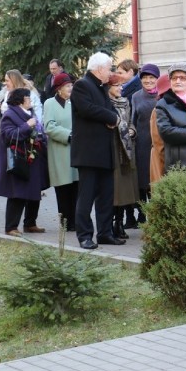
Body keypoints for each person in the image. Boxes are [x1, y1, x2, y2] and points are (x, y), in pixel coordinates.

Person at [71, 52, 123, 250]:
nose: (110, 72)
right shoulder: (82, 85)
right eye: (109, 68)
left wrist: (113, 117)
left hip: (104, 151)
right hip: (88, 152)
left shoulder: (101, 87)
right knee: (86, 196)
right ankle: (84, 235)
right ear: (99, 68)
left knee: (106, 195)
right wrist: (111, 118)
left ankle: (105, 233)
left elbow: (111, 109)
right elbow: (87, 109)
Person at [0, 88, 49, 236]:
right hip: (19, 160)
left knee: (34, 192)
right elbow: (8, 136)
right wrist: (27, 126)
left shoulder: (30, 113)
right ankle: (11, 227)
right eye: (28, 98)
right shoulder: (9, 115)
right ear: (20, 100)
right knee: (17, 194)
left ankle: (30, 223)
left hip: (34, 159)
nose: (30, 100)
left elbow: (38, 130)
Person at [43, 72, 78, 231]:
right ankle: (64, 222)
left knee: (76, 187)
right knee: (63, 188)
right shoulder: (50, 103)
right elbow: (49, 126)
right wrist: (68, 135)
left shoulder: (75, 102)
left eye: (71, 85)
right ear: (58, 89)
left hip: (77, 150)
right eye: (67, 86)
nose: (70, 88)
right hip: (59, 150)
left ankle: (76, 221)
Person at [129, 63, 160, 228]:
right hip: (141, 144)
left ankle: (156, 213)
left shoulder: (163, 95)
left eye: (151, 77)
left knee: (157, 179)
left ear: (157, 79)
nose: (148, 80)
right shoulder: (136, 96)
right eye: (145, 78)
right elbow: (133, 120)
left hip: (159, 144)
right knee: (143, 180)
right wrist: (131, 132)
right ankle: (142, 212)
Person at [109, 73, 140, 240]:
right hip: (114, 149)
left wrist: (132, 130)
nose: (121, 88)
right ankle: (113, 223)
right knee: (116, 190)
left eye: (121, 85)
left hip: (127, 150)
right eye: (117, 86)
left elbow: (130, 122)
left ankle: (120, 222)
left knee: (126, 189)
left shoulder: (125, 102)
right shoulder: (106, 104)